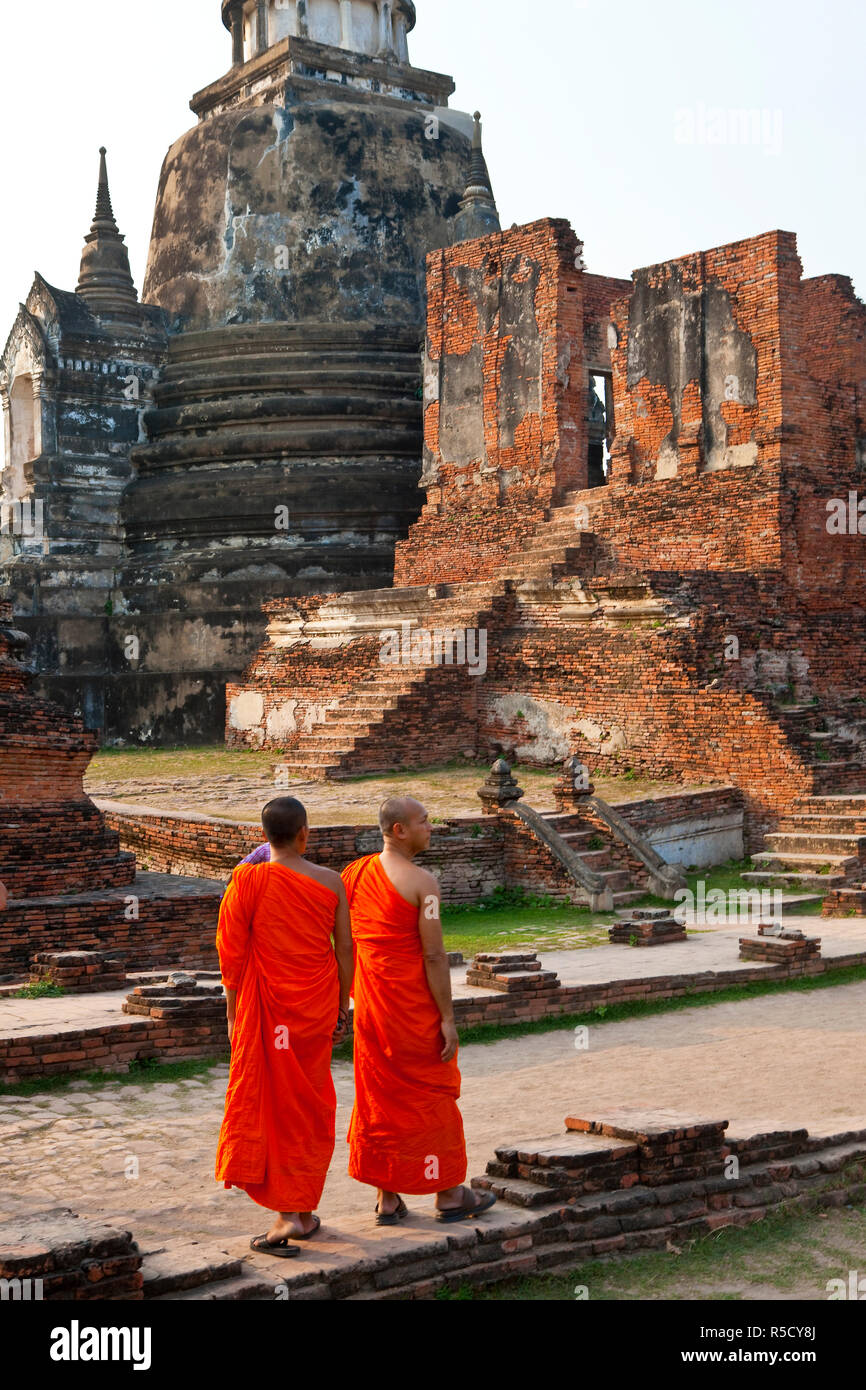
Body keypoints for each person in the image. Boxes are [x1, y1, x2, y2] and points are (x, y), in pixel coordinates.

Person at [342, 796, 496, 1225]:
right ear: (399, 831)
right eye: (424, 822)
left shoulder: (354, 876)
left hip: (373, 1006)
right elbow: (433, 956)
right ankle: (447, 1191)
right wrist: (448, 1018)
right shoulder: (424, 883)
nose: (432, 827)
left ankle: (387, 1198)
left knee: (382, 1097)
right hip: (412, 1008)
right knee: (429, 1096)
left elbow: (344, 945)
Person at [215, 796, 353, 1258]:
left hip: (266, 1010)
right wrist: (342, 1006)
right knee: (307, 1105)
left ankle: (288, 1217)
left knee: (273, 1105)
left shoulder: (247, 881)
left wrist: (234, 1013)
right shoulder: (331, 882)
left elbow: (231, 956)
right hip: (315, 1007)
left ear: (265, 836)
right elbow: (345, 953)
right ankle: (301, 1212)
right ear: (304, 834)